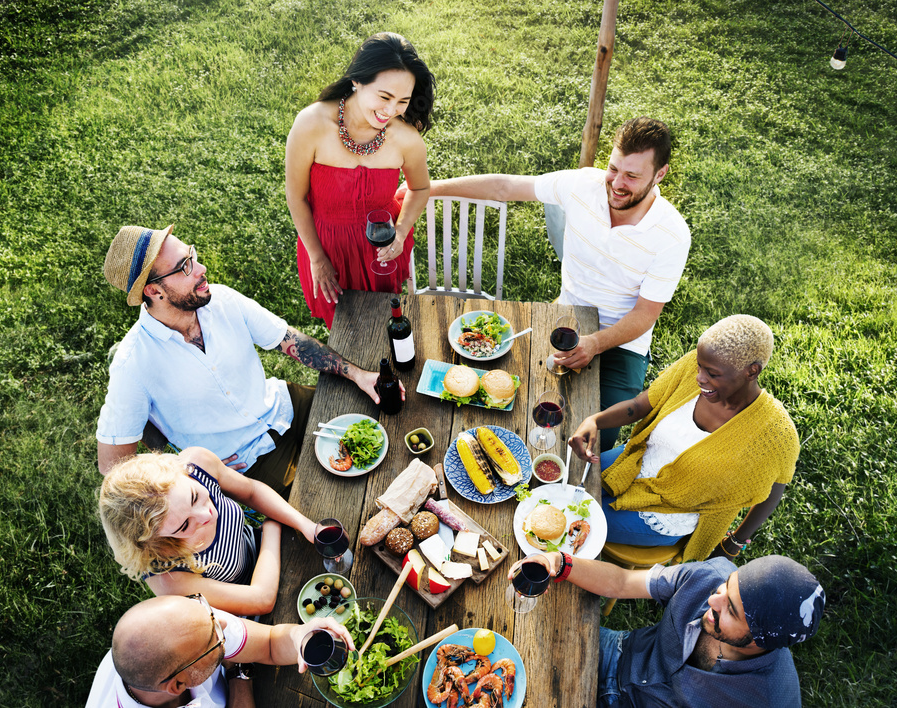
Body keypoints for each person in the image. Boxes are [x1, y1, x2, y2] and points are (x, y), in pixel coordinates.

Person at [413, 117, 690, 450]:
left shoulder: (672, 235)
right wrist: (426, 188)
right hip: (568, 312)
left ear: (660, 174)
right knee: (522, 403)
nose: (617, 183)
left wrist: (596, 343)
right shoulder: (582, 185)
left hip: (623, 342)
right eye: (614, 169)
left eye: (632, 176)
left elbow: (645, 315)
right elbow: (505, 187)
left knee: (597, 439)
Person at [97, 223, 403, 489]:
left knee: (383, 420)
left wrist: (359, 375)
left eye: (192, 255)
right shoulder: (133, 364)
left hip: (284, 406)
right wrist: (181, 469)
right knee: (338, 496)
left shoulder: (223, 300)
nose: (201, 269)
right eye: (185, 267)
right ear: (153, 291)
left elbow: (290, 341)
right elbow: (112, 465)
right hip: (248, 463)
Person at [569, 315, 799, 562]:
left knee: (569, 521)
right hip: (634, 461)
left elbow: (774, 491)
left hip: (668, 511)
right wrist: (595, 421)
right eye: (700, 366)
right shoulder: (697, 366)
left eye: (711, 373)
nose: (699, 377)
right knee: (559, 488)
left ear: (751, 371)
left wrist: (735, 542)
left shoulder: (775, 434)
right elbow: (640, 405)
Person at [509, 552, 825, 708]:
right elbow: (621, 582)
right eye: (725, 588)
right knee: (513, 649)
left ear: (760, 639)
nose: (713, 599)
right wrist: (560, 562)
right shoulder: (709, 575)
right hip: (616, 654)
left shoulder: (772, 699)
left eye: (730, 609)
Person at [285, 32, 434, 328]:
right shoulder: (311, 124)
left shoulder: (406, 138)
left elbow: (420, 187)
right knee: (342, 327)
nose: (391, 111)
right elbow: (296, 197)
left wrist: (401, 233)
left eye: (403, 101)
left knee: (382, 322)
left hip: (380, 247)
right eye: (384, 96)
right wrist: (317, 257)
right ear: (357, 80)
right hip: (327, 246)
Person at [99, 447, 315, 616]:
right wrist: (271, 527)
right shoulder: (167, 576)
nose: (206, 515)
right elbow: (261, 600)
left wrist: (306, 525)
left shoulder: (196, 465)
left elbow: (251, 492)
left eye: (194, 496)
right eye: (184, 525)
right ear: (156, 541)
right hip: (259, 607)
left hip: (273, 548)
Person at [85, 592, 354, 708]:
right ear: (179, 684)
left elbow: (270, 644)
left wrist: (300, 635)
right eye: (214, 640)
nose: (224, 623)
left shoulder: (194, 624)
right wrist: (239, 673)